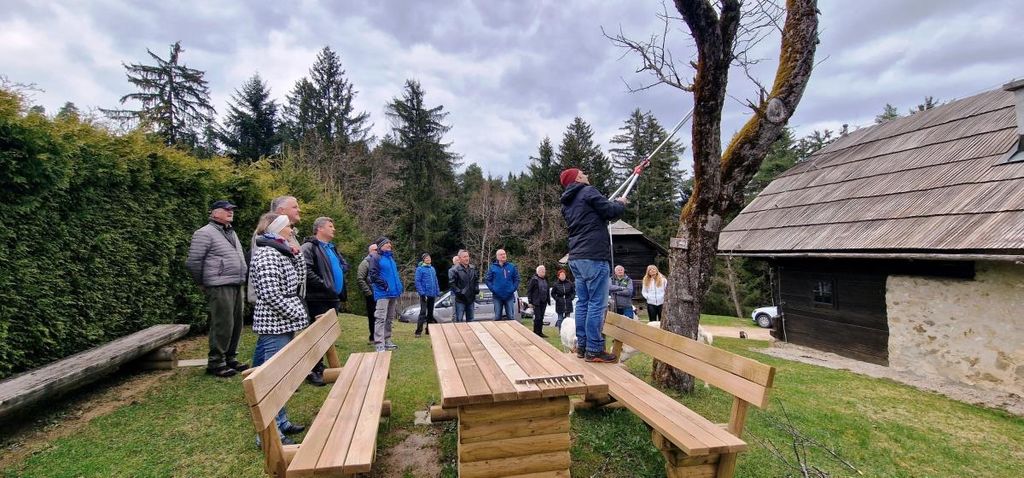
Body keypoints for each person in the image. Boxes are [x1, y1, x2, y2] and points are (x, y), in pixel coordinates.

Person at [250, 212, 308, 444]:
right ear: (275, 228)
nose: (292, 230)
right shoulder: (266, 253)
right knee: (272, 379)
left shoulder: (281, 249)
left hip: (283, 321)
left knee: (280, 376)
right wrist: (297, 313)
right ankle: (267, 433)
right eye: (288, 227)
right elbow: (271, 294)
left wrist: (296, 252)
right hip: (274, 323)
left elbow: (299, 279)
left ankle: (281, 420)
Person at [559, 167, 626, 363]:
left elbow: (597, 215)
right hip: (594, 256)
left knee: (583, 303)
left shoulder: (568, 203)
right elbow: (610, 211)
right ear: (578, 177)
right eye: (583, 173)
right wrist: (620, 203)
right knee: (597, 303)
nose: (587, 174)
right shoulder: (588, 191)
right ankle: (594, 349)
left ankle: (583, 346)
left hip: (577, 258)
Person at [185, 199, 249, 378]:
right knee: (223, 323)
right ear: (214, 212)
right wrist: (202, 282)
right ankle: (216, 362)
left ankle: (230, 357)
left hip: (236, 282)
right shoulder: (204, 233)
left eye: (232, 209)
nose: (231, 212)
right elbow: (193, 262)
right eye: (226, 209)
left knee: (236, 323)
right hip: (219, 284)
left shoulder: (230, 232)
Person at [300, 216, 349, 386]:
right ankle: (313, 370)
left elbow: (343, 264)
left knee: (327, 336)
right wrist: (325, 285)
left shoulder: (331, 248)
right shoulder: (309, 247)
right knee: (316, 335)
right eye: (330, 226)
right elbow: (305, 270)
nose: (333, 229)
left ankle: (324, 367)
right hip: (318, 298)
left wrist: (340, 270)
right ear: (320, 229)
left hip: (332, 297)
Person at [368, 237, 403, 352]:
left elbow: (394, 275)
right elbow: (373, 275)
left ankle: (387, 340)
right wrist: (384, 285)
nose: (389, 245)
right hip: (383, 293)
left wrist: (399, 286)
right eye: (386, 243)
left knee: (389, 318)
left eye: (389, 243)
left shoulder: (390, 258)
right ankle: (379, 343)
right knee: (380, 318)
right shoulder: (375, 257)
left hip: (393, 293)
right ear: (380, 246)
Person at [484, 249, 519, 321]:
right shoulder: (492, 267)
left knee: (511, 317)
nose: (503, 255)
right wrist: (494, 289)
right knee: (497, 317)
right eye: (501, 254)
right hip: (497, 296)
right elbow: (487, 280)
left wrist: (512, 289)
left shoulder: (512, 267)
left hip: (509, 296)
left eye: (504, 254)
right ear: (497, 257)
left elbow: (517, 279)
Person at [356, 243, 378, 344]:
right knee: (372, 316)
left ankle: (380, 336)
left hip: (381, 294)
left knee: (381, 316)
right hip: (371, 295)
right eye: (375, 249)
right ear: (370, 251)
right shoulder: (365, 263)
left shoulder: (380, 262)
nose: (377, 251)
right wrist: (368, 293)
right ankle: (372, 337)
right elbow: (360, 279)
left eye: (377, 249)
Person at [449, 249, 478, 322]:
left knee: (471, 320)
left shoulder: (473, 268)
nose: (467, 258)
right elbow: (452, 284)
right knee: (459, 320)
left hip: (471, 299)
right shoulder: (453, 270)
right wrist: (460, 292)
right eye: (464, 257)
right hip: (460, 300)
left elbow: (476, 280)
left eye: (467, 256)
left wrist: (476, 289)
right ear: (459, 258)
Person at [414, 253, 440, 337]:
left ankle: (429, 330)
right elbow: (417, 282)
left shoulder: (432, 269)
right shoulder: (420, 269)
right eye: (426, 258)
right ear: (423, 260)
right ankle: (418, 331)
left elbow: (436, 281)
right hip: (424, 294)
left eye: (429, 258)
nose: (428, 259)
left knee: (430, 314)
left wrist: (437, 291)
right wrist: (422, 293)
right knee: (423, 312)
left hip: (432, 294)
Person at [525, 265, 551, 337]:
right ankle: (535, 332)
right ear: (538, 271)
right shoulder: (534, 279)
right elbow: (529, 291)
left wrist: (548, 300)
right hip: (536, 302)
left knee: (541, 317)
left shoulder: (545, 279)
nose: (544, 272)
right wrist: (530, 301)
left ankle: (540, 332)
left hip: (544, 301)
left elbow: (547, 290)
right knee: (538, 317)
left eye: (544, 270)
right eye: (542, 271)